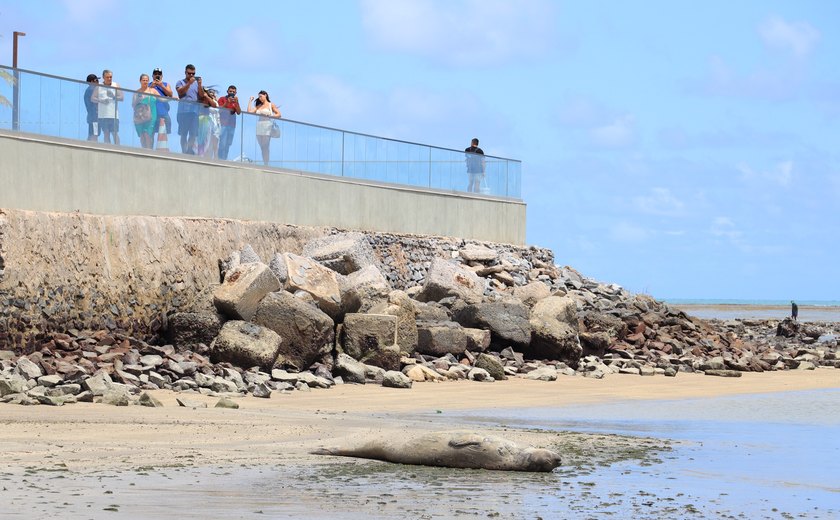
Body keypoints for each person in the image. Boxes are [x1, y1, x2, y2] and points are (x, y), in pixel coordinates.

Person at [175, 64, 206, 154]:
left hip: (194, 112)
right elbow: (180, 92)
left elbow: (201, 95)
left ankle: (189, 149)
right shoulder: (180, 82)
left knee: (193, 133)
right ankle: (184, 151)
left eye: (193, 74)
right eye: (189, 73)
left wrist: (199, 85)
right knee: (184, 133)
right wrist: (189, 83)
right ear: (185, 72)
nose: (191, 75)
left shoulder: (196, 84)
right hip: (183, 112)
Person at [247, 90, 281, 166]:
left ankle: (266, 163)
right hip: (259, 126)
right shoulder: (259, 106)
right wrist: (250, 100)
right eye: (259, 97)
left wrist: (270, 116)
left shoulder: (270, 105)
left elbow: (279, 114)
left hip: (267, 126)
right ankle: (265, 163)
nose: (259, 98)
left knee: (265, 146)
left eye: (261, 96)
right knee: (262, 147)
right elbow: (249, 111)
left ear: (265, 95)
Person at [93, 69, 123, 145]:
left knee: (114, 133)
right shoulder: (98, 86)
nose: (109, 79)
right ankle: (108, 149)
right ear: (103, 77)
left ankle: (118, 149)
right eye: (107, 77)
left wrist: (113, 96)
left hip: (113, 115)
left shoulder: (116, 85)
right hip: (103, 115)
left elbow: (121, 97)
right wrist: (101, 100)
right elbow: (93, 98)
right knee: (106, 133)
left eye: (110, 77)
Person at [132, 74, 158, 149]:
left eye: (147, 80)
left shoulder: (152, 91)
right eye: (143, 80)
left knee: (147, 133)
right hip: (140, 116)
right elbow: (133, 105)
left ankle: (149, 150)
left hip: (151, 115)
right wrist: (138, 99)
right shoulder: (137, 92)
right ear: (140, 81)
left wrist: (172, 98)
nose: (145, 82)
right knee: (142, 134)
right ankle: (144, 150)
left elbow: (162, 98)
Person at [216, 85, 241, 160]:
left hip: (232, 125)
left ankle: (225, 159)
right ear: (227, 91)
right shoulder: (222, 99)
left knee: (228, 144)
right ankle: (220, 159)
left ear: (236, 92)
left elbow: (239, 112)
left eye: (233, 92)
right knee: (222, 143)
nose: (232, 93)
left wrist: (237, 102)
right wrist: (227, 102)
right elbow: (219, 110)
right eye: (230, 91)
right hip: (223, 124)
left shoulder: (235, 101)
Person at [149, 68, 173, 145]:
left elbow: (170, 94)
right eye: (155, 74)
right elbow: (144, 93)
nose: (157, 75)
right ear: (152, 75)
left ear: (161, 76)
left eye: (159, 74)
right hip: (152, 113)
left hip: (163, 113)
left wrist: (161, 85)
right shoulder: (149, 85)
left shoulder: (166, 84)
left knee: (164, 134)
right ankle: (150, 151)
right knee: (151, 134)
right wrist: (152, 87)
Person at [197, 88, 220, 158]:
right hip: (202, 119)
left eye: (213, 93)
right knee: (201, 138)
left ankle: (206, 155)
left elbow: (215, 107)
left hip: (210, 121)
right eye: (210, 93)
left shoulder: (212, 100)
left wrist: (210, 97)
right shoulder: (202, 99)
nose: (212, 94)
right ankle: (200, 154)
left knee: (208, 139)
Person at [83, 74, 99, 142]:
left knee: (91, 134)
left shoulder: (88, 90)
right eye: (96, 80)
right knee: (94, 134)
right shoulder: (91, 90)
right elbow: (95, 103)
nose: (98, 82)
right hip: (94, 117)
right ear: (92, 81)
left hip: (91, 116)